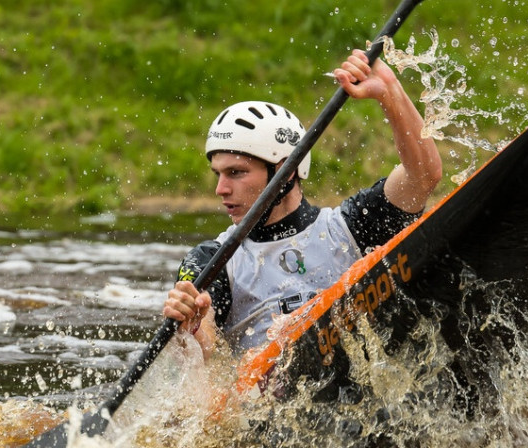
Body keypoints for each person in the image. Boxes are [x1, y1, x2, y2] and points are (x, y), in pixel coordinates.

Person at [163, 49, 442, 359]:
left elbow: (423, 177)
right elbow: (207, 348)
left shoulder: (348, 227)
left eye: (236, 173)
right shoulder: (211, 260)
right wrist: (192, 326)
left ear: (286, 171)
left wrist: (389, 93)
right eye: (218, 174)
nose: (220, 188)